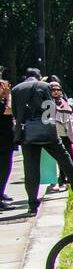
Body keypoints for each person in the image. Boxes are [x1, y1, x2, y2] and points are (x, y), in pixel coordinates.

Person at [9, 68, 73, 215]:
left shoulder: (16, 89)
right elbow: (50, 109)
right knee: (64, 158)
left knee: (30, 169)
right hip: (46, 131)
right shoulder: (44, 86)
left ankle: (32, 203)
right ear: (38, 77)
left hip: (26, 133)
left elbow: (15, 112)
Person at [47, 79, 73, 191]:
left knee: (67, 159)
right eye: (53, 90)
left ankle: (64, 180)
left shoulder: (65, 102)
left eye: (58, 90)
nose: (56, 92)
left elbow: (71, 117)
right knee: (59, 160)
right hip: (54, 135)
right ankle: (60, 181)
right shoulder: (47, 103)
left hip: (65, 135)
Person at [0, 69, 15, 210]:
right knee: (3, 168)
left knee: (5, 168)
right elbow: (9, 110)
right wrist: (8, 95)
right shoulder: (4, 102)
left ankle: (1, 192)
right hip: (2, 142)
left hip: (5, 141)